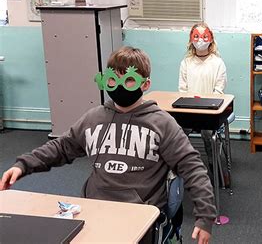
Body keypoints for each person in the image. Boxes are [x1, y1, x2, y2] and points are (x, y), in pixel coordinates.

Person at [0, 46, 216, 243]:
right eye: (114, 78)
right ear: (105, 80)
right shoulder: (94, 118)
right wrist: (23, 165)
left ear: (145, 84)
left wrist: (204, 217)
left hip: (138, 212)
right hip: (94, 207)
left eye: (129, 79)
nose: (120, 85)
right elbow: (62, 146)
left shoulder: (162, 123)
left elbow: (192, 167)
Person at [178, 22, 227, 168]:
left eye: (204, 36)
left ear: (211, 39)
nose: (200, 40)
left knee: (207, 132)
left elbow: (219, 90)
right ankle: (180, 164)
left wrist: (206, 108)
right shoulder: (186, 63)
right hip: (189, 109)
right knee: (177, 131)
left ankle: (213, 164)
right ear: (191, 39)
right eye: (196, 36)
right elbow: (182, 89)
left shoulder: (218, 63)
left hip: (210, 110)